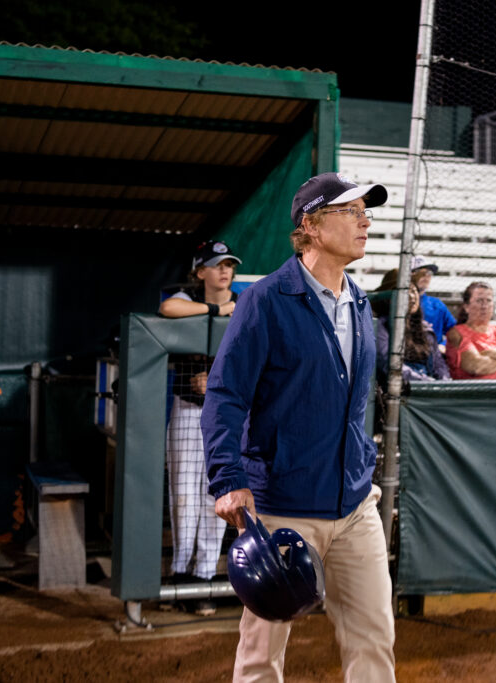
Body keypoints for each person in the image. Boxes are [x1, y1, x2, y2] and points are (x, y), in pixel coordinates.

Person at [201, 171, 395, 681]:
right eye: (350, 212)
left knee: (375, 640)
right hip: (282, 510)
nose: (364, 221)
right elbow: (225, 394)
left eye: (365, 212)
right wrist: (227, 479)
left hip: (355, 506)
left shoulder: (360, 301)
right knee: (262, 652)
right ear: (310, 225)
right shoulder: (266, 300)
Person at [157, 239, 239, 616]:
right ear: (200, 271)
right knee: (184, 494)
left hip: (226, 415)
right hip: (188, 410)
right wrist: (214, 309)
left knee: (217, 497)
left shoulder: (243, 302)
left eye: (229, 265)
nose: (225, 271)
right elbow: (167, 308)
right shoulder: (185, 297)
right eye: (217, 264)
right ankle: (180, 572)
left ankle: (205, 576)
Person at [372, 272, 450, 384]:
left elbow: (438, 364)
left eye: (414, 291)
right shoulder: (380, 327)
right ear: (389, 298)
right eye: (405, 291)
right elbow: (389, 364)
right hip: (400, 391)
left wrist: (445, 383)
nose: (412, 296)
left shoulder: (425, 328)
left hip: (429, 387)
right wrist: (426, 382)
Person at [409, 255, 455, 348]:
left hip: (433, 357)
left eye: (429, 273)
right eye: (420, 272)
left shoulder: (437, 305)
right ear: (411, 274)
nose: (426, 276)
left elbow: (455, 331)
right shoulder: (398, 302)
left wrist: (443, 345)